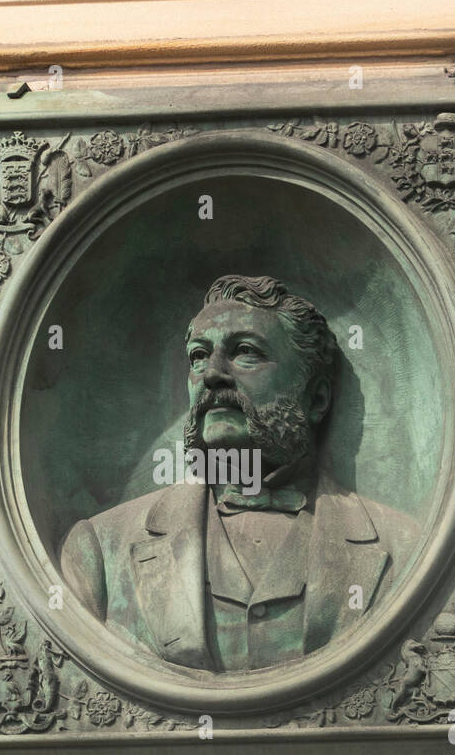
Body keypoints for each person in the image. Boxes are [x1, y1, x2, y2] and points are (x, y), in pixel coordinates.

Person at [60, 275, 420, 672]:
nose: (212, 373)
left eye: (245, 352)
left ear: (316, 397)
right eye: (198, 356)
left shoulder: (403, 549)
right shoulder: (100, 551)